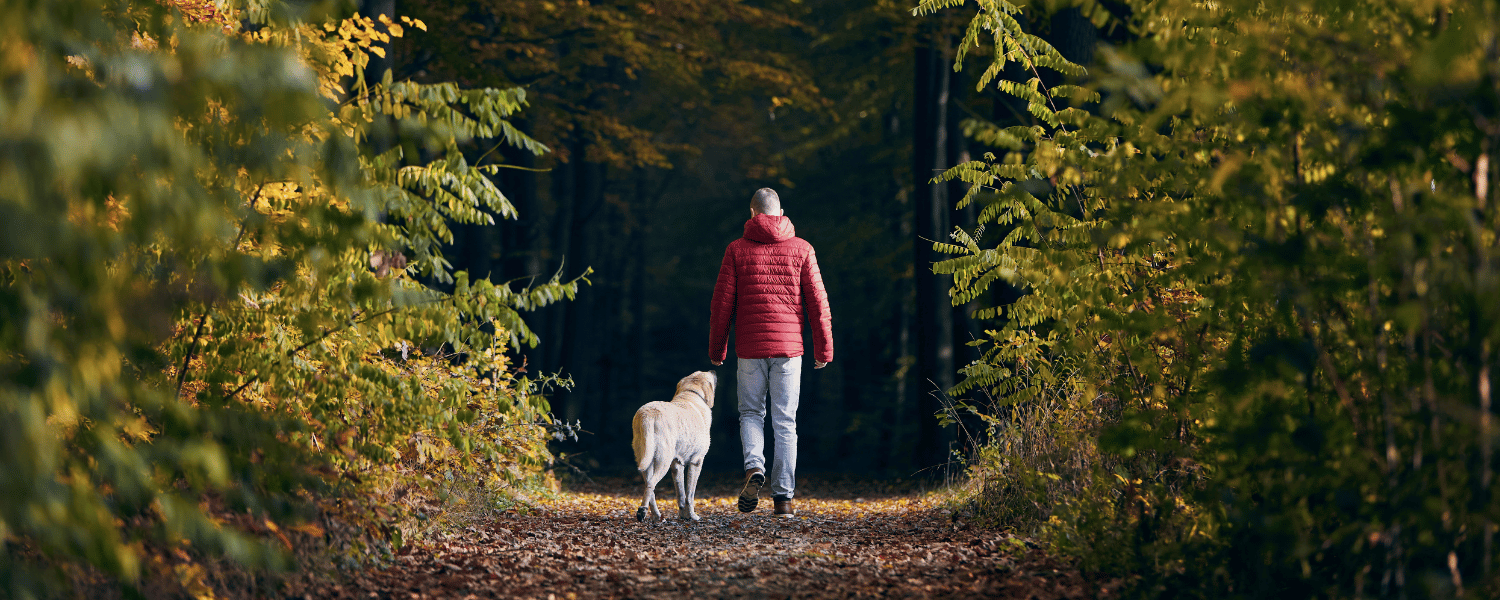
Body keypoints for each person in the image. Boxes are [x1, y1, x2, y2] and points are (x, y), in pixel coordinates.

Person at [708, 188, 833, 518]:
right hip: (790, 351)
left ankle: (753, 468)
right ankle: (784, 501)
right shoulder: (803, 249)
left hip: (749, 348)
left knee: (751, 413)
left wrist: (717, 349)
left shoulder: (736, 250)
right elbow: (818, 305)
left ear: (752, 214)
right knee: (785, 423)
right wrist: (824, 349)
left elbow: (722, 306)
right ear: (781, 213)